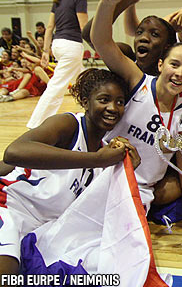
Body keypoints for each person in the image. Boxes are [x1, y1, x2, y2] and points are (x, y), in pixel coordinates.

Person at [0, 68, 137, 276]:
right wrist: (96, 160)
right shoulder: (69, 125)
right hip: (10, 207)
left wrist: (127, 170)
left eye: (119, 102)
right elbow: (13, 152)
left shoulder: (105, 149)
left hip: (43, 227)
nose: (113, 108)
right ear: (85, 101)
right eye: (104, 99)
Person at [90, 0, 182, 221]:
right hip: (102, 178)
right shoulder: (137, 80)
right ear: (161, 64)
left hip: (141, 193)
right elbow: (101, 42)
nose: (179, 73)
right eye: (174, 64)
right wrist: (107, 4)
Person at [27, 0, 89, 129]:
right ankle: (36, 124)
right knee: (57, 86)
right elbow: (84, 27)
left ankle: (91, 115)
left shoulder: (58, 0)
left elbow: (49, 27)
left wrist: (46, 51)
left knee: (85, 80)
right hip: (71, 46)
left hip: (58, 44)